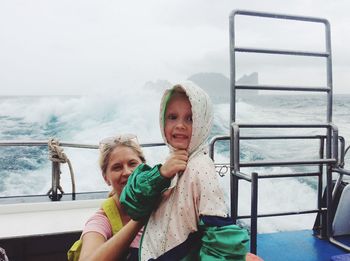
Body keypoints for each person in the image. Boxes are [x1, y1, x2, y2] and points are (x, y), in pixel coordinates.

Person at [121, 81, 255, 260]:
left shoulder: (201, 168)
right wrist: (160, 175)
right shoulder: (168, 162)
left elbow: (220, 240)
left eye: (190, 118)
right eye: (172, 117)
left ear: (203, 122)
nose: (180, 125)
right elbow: (133, 206)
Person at [77, 134, 146, 261]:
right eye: (117, 167)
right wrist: (139, 218)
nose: (127, 172)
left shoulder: (163, 201)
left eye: (132, 164)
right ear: (106, 178)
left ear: (144, 167)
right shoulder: (102, 220)